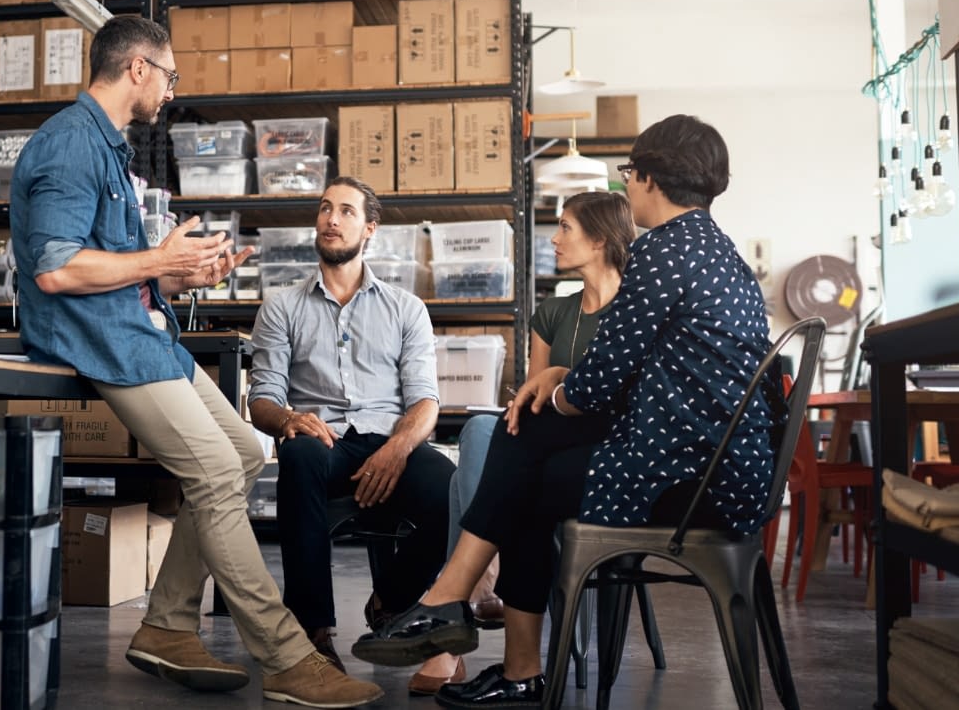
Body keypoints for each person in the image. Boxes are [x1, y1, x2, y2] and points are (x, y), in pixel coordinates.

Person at [9, 17, 383, 708]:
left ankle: (167, 626)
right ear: (139, 69)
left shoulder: (108, 148)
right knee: (213, 469)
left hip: (140, 332)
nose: (172, 93)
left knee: (241, 453)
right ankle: (287, 656)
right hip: (103, 341)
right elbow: (57, 270)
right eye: (171, 76)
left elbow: (113, 268)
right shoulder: (68, 144)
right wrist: (159, 259)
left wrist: (182, 276)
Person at [351, 115, 773, 709]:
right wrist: (558, 382)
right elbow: (627, 376)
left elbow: (598, 386)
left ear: (649, 178)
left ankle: (457, 605)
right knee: (529, 459)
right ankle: (486, 634)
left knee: (524, 437)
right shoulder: (717, 250)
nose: (628, 186)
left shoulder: (663, 250)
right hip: (722, 469)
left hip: (691, 481)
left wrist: (551, 388)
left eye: (630, 174)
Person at [247, 176, 458, 692]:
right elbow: (262, 398)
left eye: (345, 211)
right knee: (297, 457)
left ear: (370, 229)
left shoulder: (406, 308)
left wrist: (397, 449)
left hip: (392, 439)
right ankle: (313, 634)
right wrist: (287, 420)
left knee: (452, 489)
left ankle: (390, 598)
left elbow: (426, 401)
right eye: (324, 209)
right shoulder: (282, 306)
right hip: (323, 442)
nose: (330, 219)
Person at [438, 190, 638, 671]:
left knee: (466, 482)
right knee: (481, 432)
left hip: (600, 456)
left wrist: (561, 381)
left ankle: (462, 600)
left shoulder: (636, 310)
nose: (554, 239)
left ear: (601, 239)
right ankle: (472, 590)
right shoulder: (553, 312)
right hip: (545, 444)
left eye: (566, 227)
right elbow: (531, 406)